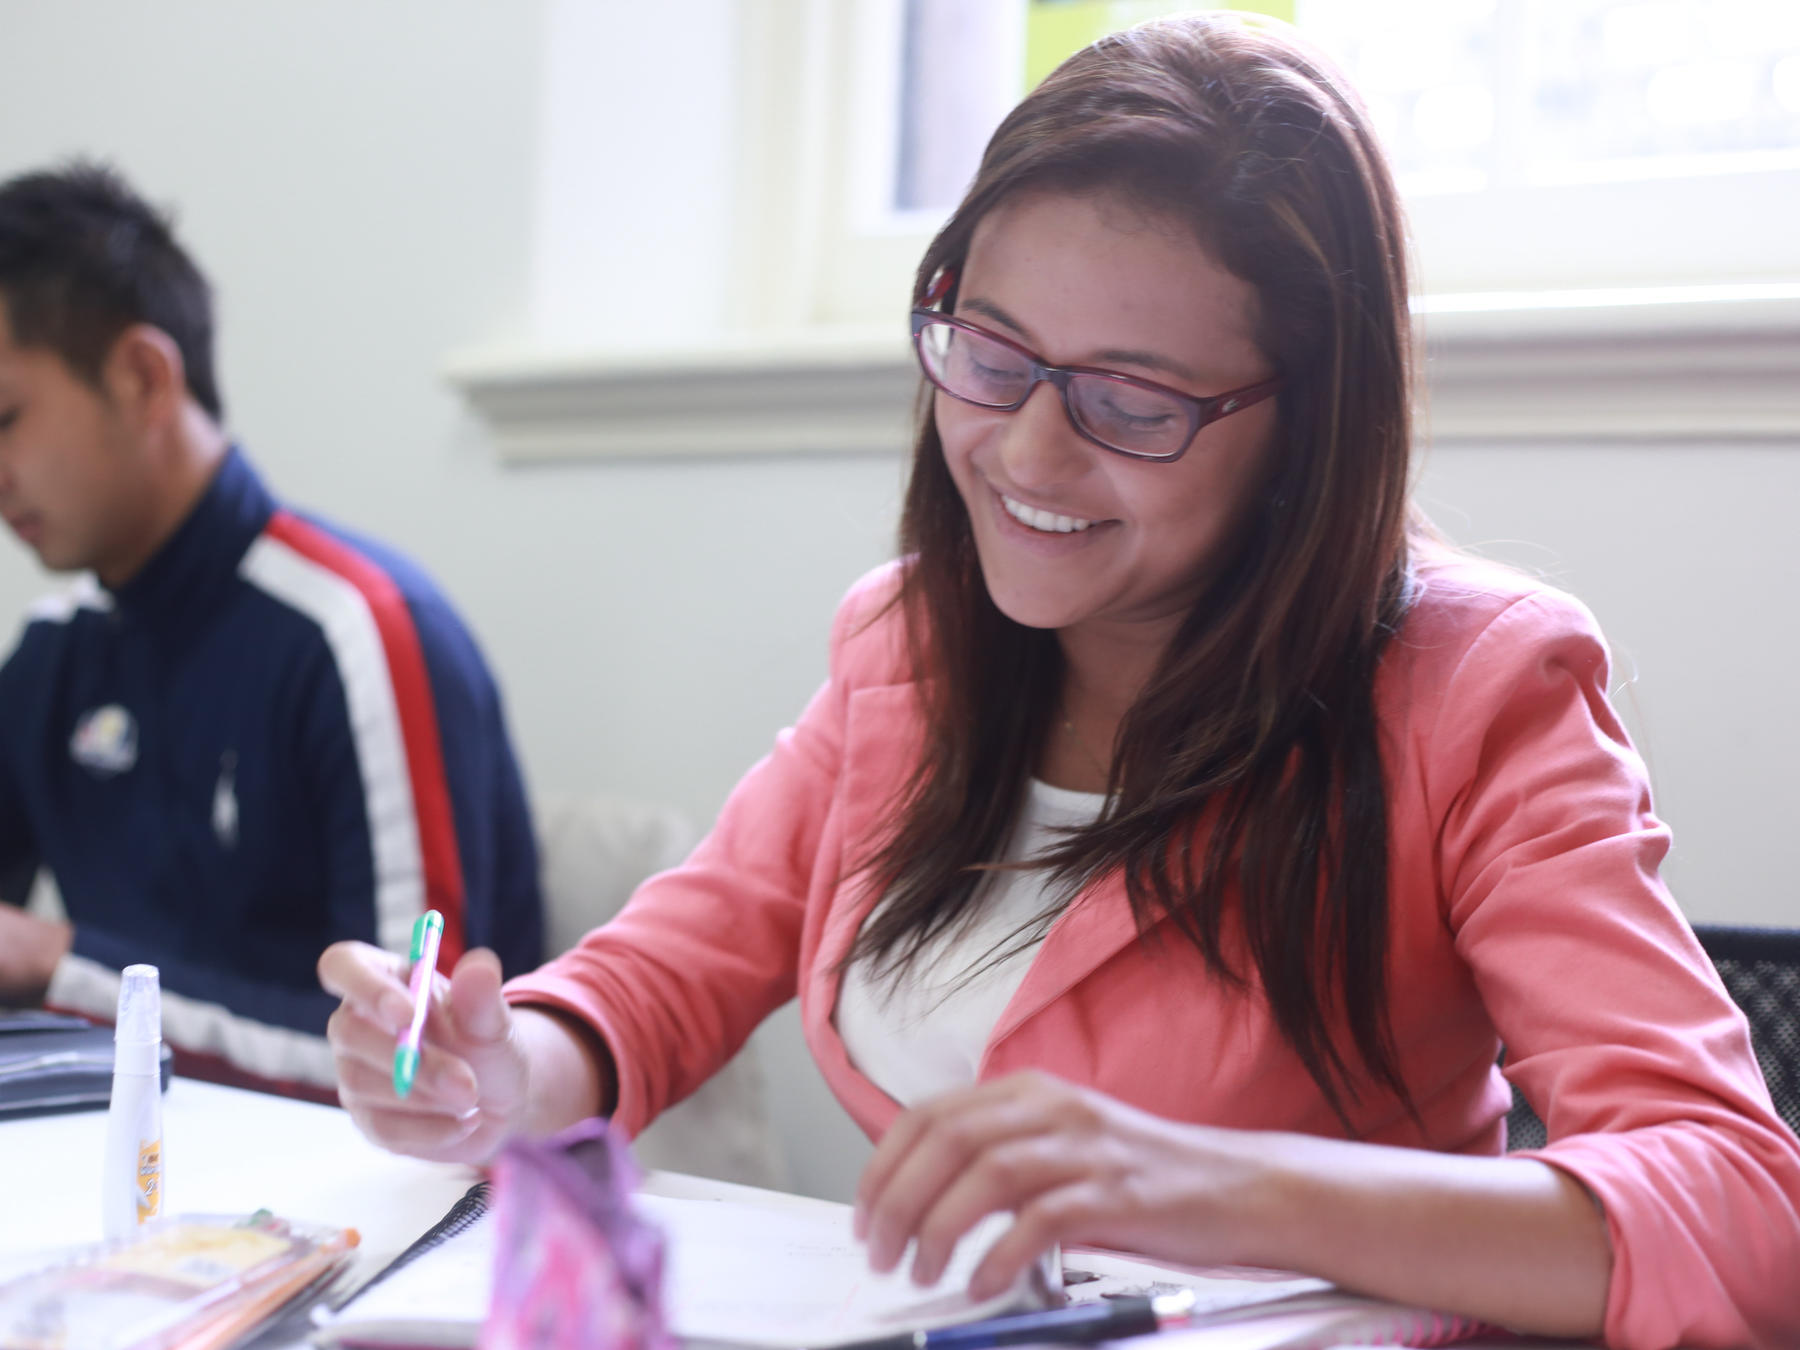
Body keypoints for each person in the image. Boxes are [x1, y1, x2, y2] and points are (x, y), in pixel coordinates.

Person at [318, 15, 1800, 1349]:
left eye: (1132, 402)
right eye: (993, 351)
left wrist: (1215, 1184)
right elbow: (657, 984)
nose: (1028, 453)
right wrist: (502, 1070)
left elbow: (1740, 1207)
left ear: (1310, 427)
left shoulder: (1483, 686)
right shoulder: (907, 644)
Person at [0, 162, 542, 1098]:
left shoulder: (358, 634)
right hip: (137, 1196)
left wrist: (64, 968)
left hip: (400, 1213)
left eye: (3, 417)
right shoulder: (54, 652)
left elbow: (419, 1069)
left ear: (141, 377)